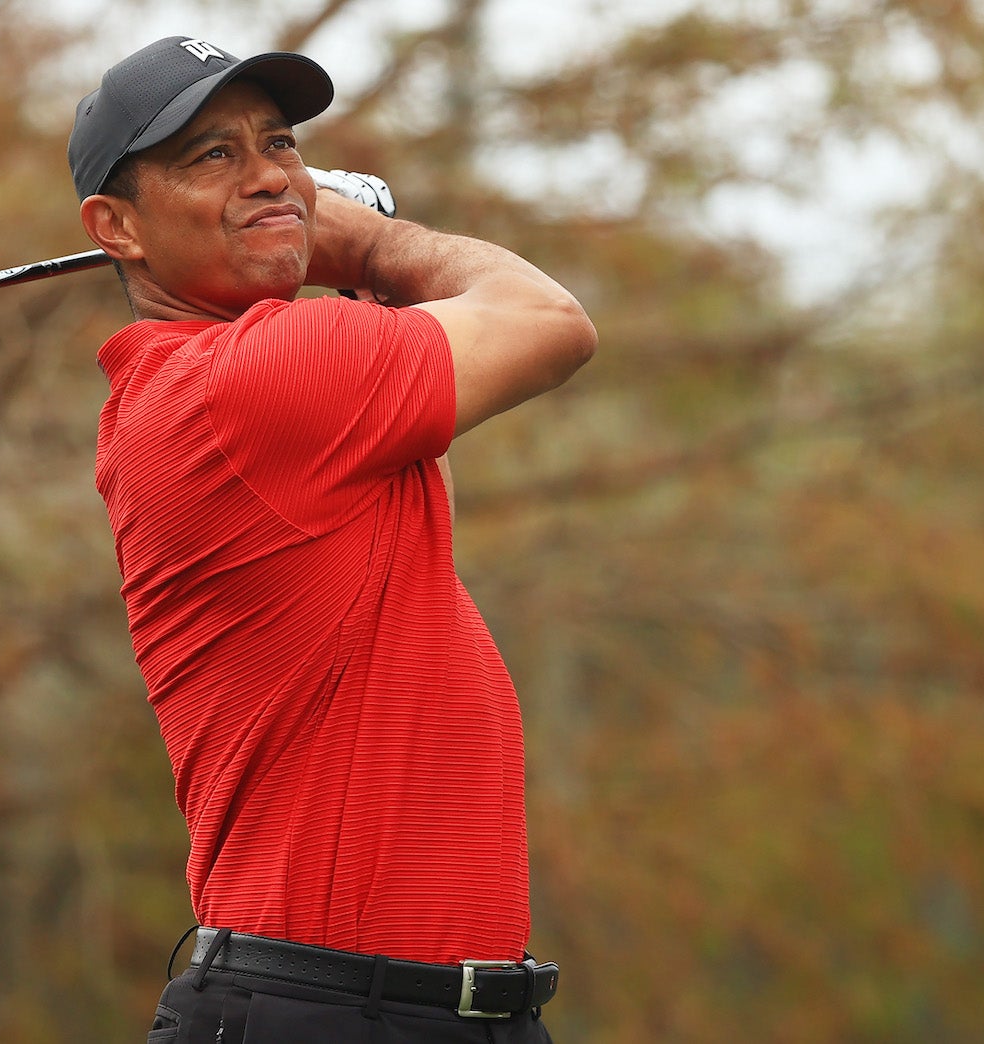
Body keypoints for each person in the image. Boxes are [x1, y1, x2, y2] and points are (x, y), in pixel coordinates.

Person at [69, 35, 597, 1043]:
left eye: (278, 145)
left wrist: (320, 251)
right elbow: (548, 321)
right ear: (116, 228)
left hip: (407, 1008)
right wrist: (359, 243)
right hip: (331, 1012)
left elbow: (402, 406)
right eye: (210, 156)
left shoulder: (218, 389)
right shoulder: (246, 382)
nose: (268, 175)